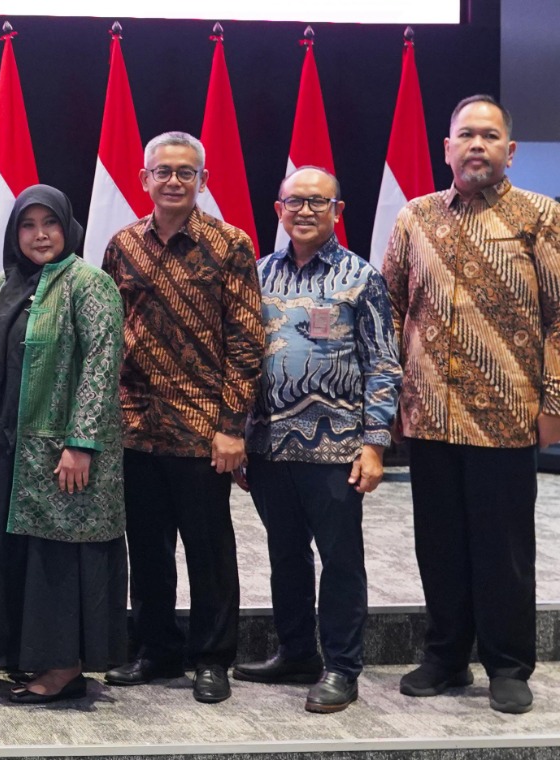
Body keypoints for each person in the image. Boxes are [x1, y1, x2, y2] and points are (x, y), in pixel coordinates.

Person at [381, 94, 560, 715]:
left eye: (489, 135)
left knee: (502, 549)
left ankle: (508, 664)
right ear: (447, 148)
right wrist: (390, 402)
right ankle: (446, 657)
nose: (477, 144)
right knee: (439, 546)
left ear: (510, 149)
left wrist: (554, 402)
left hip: (507, 417)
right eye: (466, 135)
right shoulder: (415, 217)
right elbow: (390, 310)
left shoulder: (541, 216)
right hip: (428, 414)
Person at [100, 131, 264, 704]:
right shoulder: (122, 245)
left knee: (208, 550)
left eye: (185, 172)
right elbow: (109, 333)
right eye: (163, 171)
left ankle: (212, 657)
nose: (173, 180)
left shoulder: (230, 244)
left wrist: (232, 427)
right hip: (135, 426)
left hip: (202, 430)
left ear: (203, 180)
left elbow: (247, 341)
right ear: (144, 179)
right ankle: (156, 649)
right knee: (147, 549)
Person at [233, 167, 401, 714]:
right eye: (295, 202)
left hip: (337, 448)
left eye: (317, 202)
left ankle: (343, 667)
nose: (305, 211)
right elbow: (241, 359)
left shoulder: (361, 277)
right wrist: (240, 434)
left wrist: (375, 443)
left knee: (340, 560)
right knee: (285, 555)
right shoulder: (258, 274)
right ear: (278, 209)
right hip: (269, 445)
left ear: (338, 210)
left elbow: (383, 364)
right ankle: (297, 652)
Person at [0, 184, 127, 705]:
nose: (40, 235)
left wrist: (81, 443)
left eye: (49, 223)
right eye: (27, 226)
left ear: (67, 227)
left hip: (61, 452)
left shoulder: (89, 284)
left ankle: (64, 668)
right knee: (15, 552)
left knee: (58, 557)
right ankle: (25, 654)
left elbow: (101, 366)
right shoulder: (0, 286)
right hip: (7, 448)